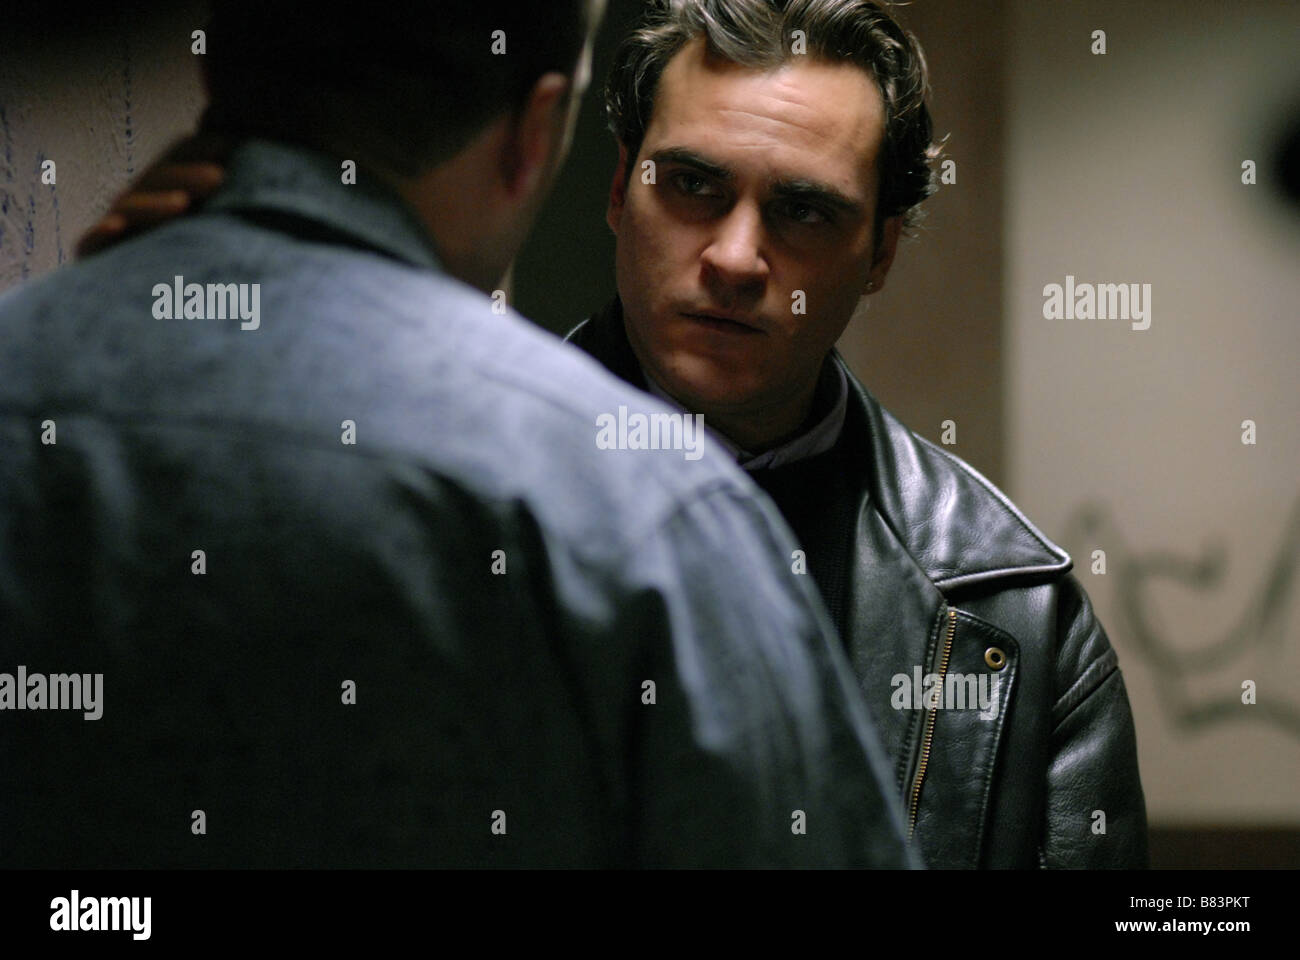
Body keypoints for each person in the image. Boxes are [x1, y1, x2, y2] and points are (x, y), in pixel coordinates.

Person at [78, 0, 1151, 870]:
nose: (735, 258)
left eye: (803, 211)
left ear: (879, 254)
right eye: (691, 186)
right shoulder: (407, 479)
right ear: (615, 192)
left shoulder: (1011, 608)